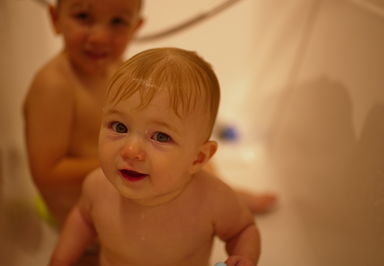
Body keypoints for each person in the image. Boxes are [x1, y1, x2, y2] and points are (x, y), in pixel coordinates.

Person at [24, 0, 275, 229]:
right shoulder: (55, 85)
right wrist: (122, 158)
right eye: (83, 17)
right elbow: (47, 174)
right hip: (84, 213)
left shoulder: (117, 67)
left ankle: (225, 193)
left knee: (191, 147)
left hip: (122, 179)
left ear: (136, 27)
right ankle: (221, 202)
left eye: (118, 22)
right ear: (56, 20)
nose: (100, 36)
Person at [49, 47, 260, 266]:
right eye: (119, 126)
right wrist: (61, 260)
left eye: (160, 136)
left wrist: (244, 258)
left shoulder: (212, 199)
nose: (130, 150)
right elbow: (83, 219)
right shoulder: (97, 186)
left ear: (197, 158)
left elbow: (243, 230)